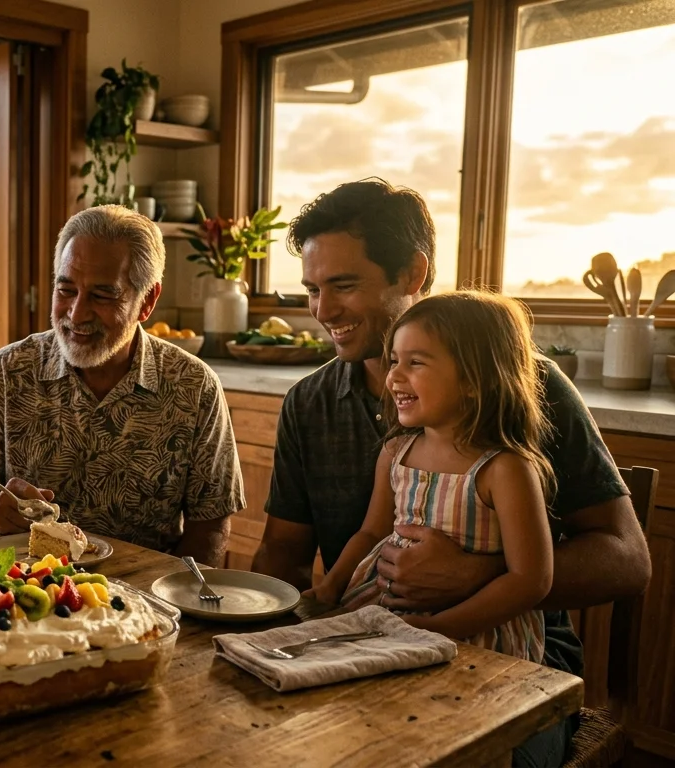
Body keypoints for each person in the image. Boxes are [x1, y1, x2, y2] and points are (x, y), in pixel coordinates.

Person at [254, 179, 651, 766]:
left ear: (412, 273)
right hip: (373, 640)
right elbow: (282, 554)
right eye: (312, 289)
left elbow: (628, 559)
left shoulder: (520, 388)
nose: (322, 311)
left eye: (343, 285)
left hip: (519, 669)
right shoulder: (309, 404)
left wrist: (476, 574)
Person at [0, 205, 244, 565]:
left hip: (147, 595)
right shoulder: (7, 373)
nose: (77, 313)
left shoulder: (193, 386)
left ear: (147, 301)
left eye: (102, 296)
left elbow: (210, 524)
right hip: (24, 593)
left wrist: (176, 599)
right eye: (65, 290)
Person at [310, 291, 554, 663]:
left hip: (472, 634)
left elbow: (530, 580)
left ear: (475, 380)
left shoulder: (505, 470)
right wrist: (330, 588)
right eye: (394, 361)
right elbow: (372, 534)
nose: (394, 376)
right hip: (390, 618)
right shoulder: (395, 453)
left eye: (416, 363)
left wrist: (442, 627)